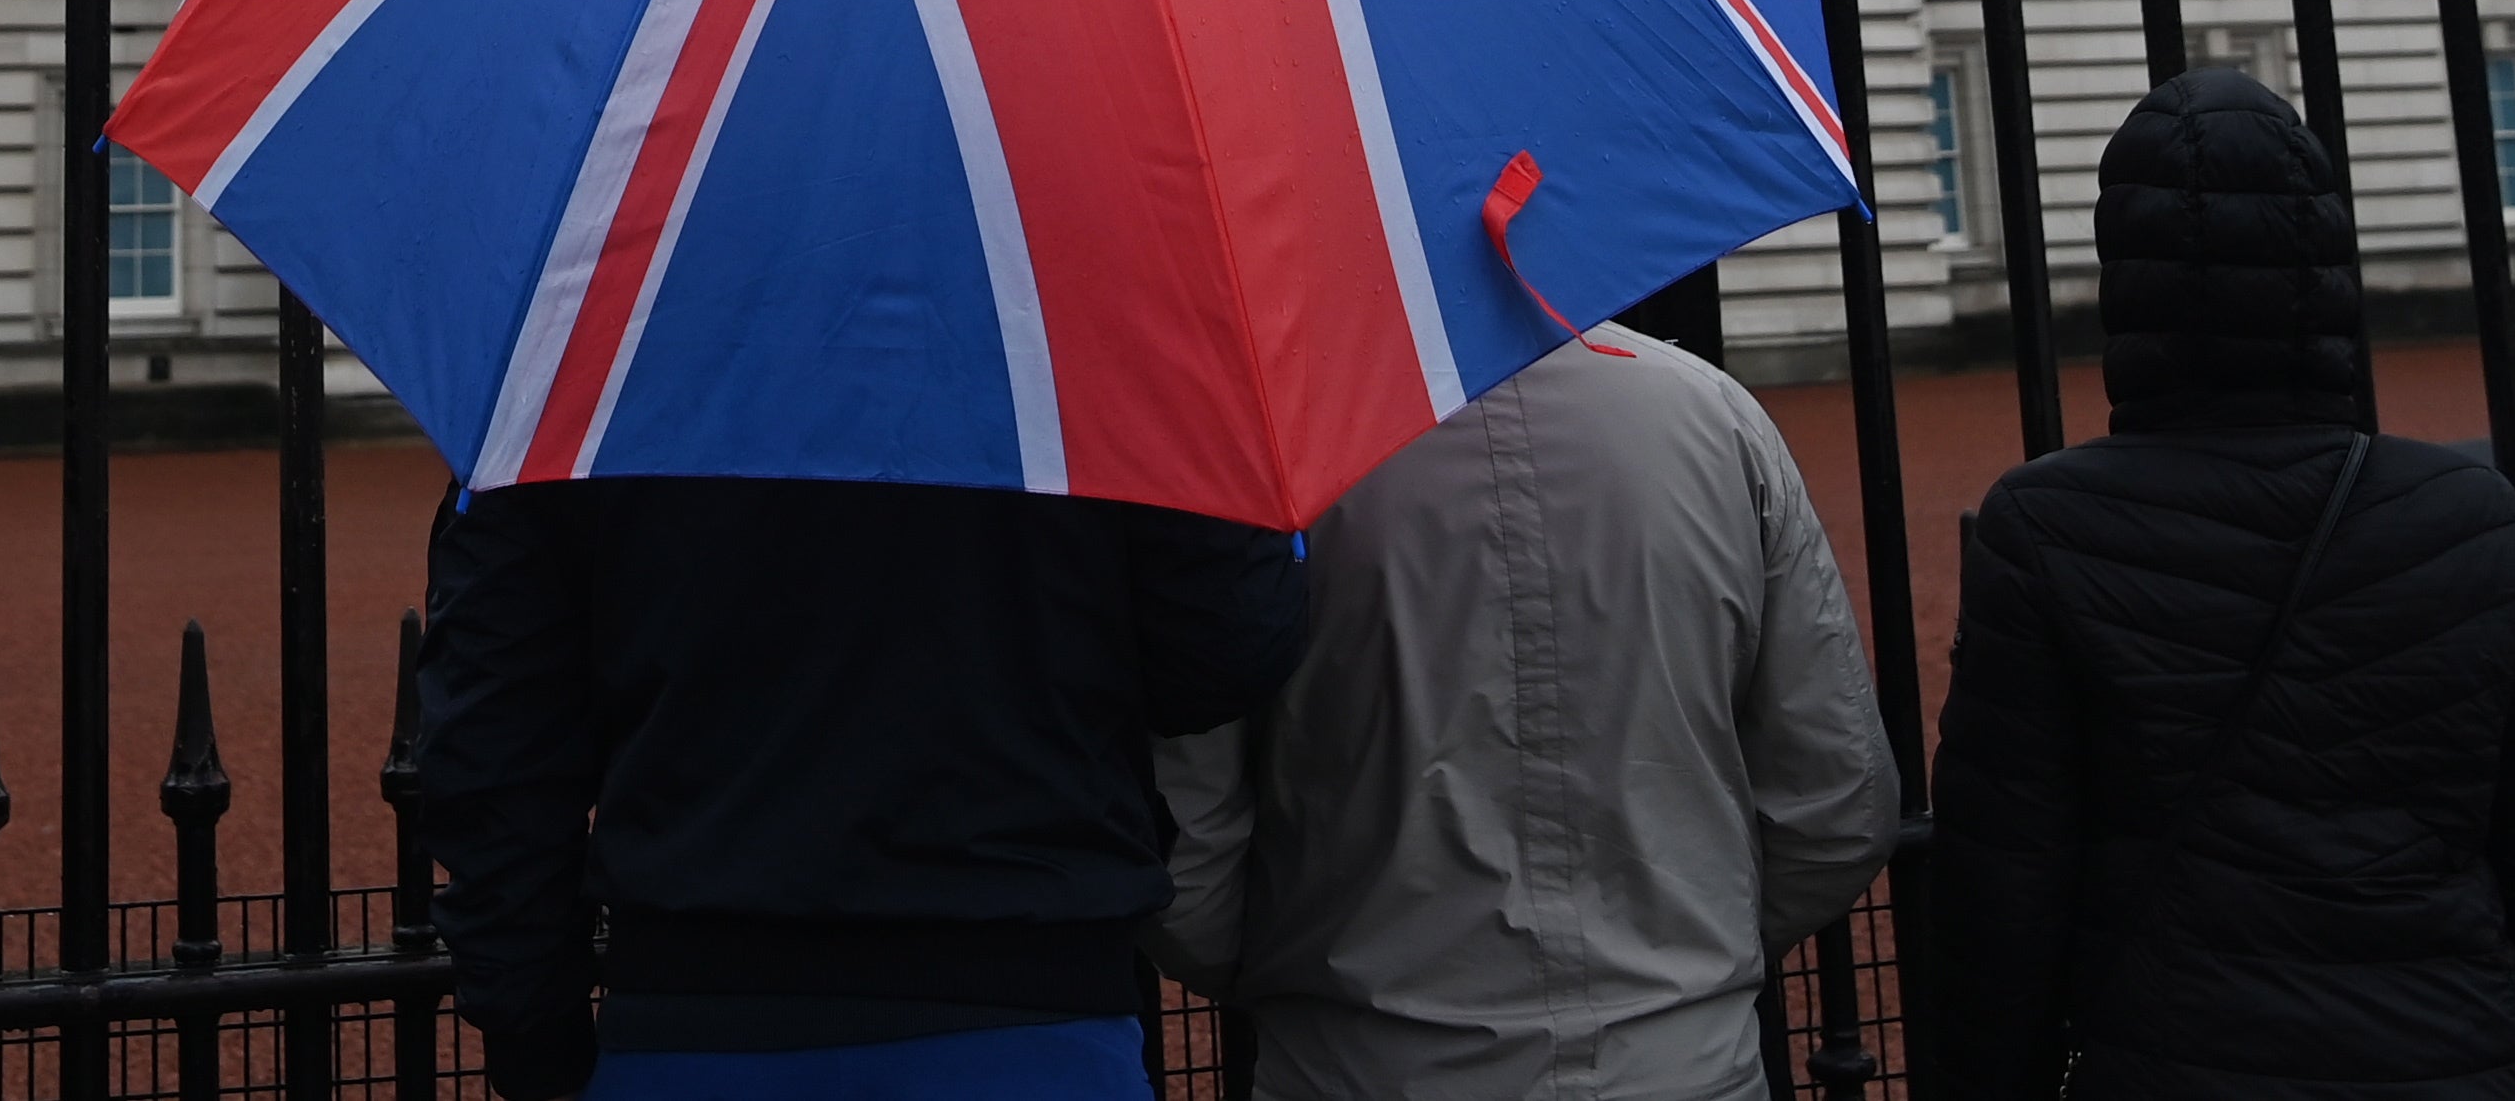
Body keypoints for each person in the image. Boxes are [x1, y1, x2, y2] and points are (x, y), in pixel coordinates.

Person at [1921, 66, 2515, 1101]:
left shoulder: (2047, 527)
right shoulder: (2472, 514)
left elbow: (2000, 898)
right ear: (2324, 263)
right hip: (2454, 1055)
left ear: (2131, 274)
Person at [1141, 316, 1896, 1101]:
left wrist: (1304, 981)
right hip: (1681, 1063)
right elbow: (1838, 798)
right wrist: (1685, 970)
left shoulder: (1269, 442)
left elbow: (1184, 841)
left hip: (1359, 1065)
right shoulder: (1713, 412)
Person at [413, 472, 1307, 1100]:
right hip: (1031, 987)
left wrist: (536, 1035)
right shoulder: (1102, 325)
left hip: (693, 1004)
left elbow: (497, 729)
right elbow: (1224, 652)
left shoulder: (593, 346)